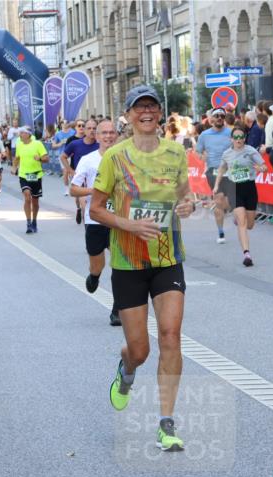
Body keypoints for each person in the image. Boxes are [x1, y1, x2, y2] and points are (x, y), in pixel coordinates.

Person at [90, 84, 195, 452]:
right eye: (139, 108)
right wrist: (130, 225)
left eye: (152, 106)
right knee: (140, 349)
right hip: (128, 261)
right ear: (129, 115)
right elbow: (96, 209)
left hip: (168, 257)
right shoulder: (115, 158)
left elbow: (185, 195)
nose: (146, 113)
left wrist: (188, 205)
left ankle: (166, 422)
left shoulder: (175, 152)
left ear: (160, 113)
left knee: (170, 335)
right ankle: (127, 368)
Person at [69, 118, 121, 326]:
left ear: (116, 135)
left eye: (111, 132)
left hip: (118, 220)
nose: (108, 136)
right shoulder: (88, 160)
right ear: (97, 136)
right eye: (104, 133)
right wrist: (96, 191)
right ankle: (94, 275)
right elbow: (73, 189)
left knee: (120, 266)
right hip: (95, 219)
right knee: (97, 264)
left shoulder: (124, 158)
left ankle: (117, 309)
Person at [214, 127, 266, 266]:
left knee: (250, 225)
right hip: (234, 188)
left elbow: (263, 166)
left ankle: (239, 219)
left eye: (241, 137)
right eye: (235, 137)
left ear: (244, 138)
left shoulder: (250, 151)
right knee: (242, 222)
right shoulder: (227, 154)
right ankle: (247, 254)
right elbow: (222, 169)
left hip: (249, 188)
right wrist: (216, 185)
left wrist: (261, 168)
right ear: (231, 139)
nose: (238, 140)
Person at [196, 108, 234, 243]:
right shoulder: (204, 135)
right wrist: (202, 156)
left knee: (228, 202)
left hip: (230, 170)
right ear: (211, 118)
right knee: (218, 200)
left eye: (222, 116)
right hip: (213, 170)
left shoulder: (231, 133)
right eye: (216, 116)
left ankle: (228, 209)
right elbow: (198, 152)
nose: (219, 118)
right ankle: (221, 232)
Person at [12, 126, 48, 233]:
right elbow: (17, 158)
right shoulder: (19, 145)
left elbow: (47, 158)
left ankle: (34, 221)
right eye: (20, 133)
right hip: (24, 175)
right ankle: (28, 223)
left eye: (22, 133)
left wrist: (40, 158)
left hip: (36, 175)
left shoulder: (38, 144)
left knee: (35, 201)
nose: (20, 135)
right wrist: (14, 167)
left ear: (28, 134)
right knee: (27, 196)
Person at [62, 119, 99, 224]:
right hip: (81, 179)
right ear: (85, 131)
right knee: (84, 206)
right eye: (89, 128)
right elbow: (63, 157)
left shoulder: (100, 145)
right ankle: (82, 214)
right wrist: (70, 171)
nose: (92, 131)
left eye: (94, 128)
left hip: (96, 179)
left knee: (92, 206)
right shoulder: (75, 144)